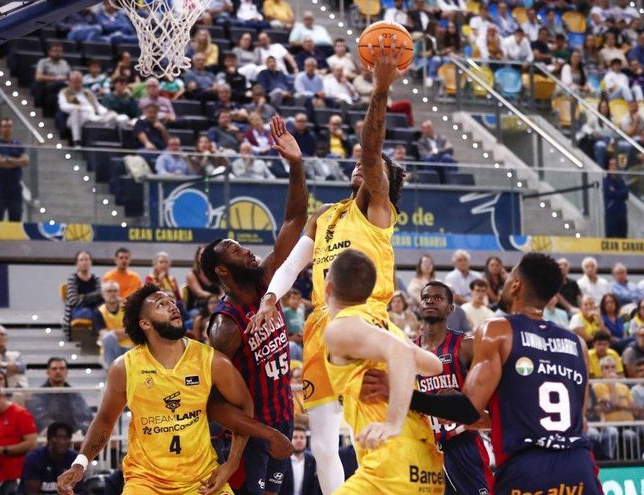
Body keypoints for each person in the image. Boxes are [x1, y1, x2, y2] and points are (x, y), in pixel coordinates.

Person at [247, 38, 408, 495]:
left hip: (364, 319)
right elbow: (294, 263)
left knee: (365, 430)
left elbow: (372, 152)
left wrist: (380, 91)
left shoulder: (378, 212)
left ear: (385, 185)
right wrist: (270, 300)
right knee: (321, 442)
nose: (362, 165)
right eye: (359, 165)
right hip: (320, 323)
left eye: (373, 168)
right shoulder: (326, 216)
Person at [55, 283, 292, 495]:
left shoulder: (212, 360)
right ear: (145, 323)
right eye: (161, 304)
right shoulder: (124, 368)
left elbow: (244, 406)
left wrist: (231, 464)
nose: (172, 306)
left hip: (201, 479)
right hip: (145, 481)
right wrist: (80, 464)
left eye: (171, 301)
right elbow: (105, 420)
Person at [402, 252, 601, 493]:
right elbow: (577, 419)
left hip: (528, 466)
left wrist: (407, 398)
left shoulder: (497, 330)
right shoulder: (577, 343)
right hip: (578, 466)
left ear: (516, 285)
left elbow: (466, 409)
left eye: (508, 278)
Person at [201, 115, 307, 495]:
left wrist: (295, 166)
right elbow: (214, 404)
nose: (245, 249)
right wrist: (265, 433)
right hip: (249, 438)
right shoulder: (225, 326)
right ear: (221, 271)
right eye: (233, 249)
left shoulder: (267, 282)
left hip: (282, 420)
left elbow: (295, 219)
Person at [322, 250, 445, 494]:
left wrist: (392, 423)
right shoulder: (384, 326)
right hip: (425, 464)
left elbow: (400, 351)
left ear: (328, 287)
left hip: (391, 459)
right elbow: (434, 365)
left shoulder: (340, 328)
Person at [369, 282, 492, 493]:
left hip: (462, 443)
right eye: (426, 298)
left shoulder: (466, 345)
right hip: (423, 447)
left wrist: (460, 400)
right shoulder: (407, 350)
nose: (430, 301)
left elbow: (489, 394)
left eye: (438, 298)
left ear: (450, 308)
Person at [0, 383, 39, 492]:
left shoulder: (21, 414)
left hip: (18, 477)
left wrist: (4, 450)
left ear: (2, 396)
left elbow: (32, 443)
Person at [26, 358, 93, 435]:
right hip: (50, 437)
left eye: (62, 368)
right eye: (54, 369)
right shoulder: (38, 395)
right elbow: (40, 420)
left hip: (75, 437)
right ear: (48, 372)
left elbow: (86, 416)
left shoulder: (75, 394)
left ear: (66, 372)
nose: (58, 371)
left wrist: (80, 431)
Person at [58, 71, 126, 147]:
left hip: (92, 117)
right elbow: (63, 106)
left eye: (79, 82)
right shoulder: (64, 92)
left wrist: (106, 112)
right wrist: (76, 107)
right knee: (75, 112)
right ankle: (77, 142)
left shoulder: (87, 92)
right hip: (76, 118)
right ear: (70, 82)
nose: (77, 85)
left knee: (114, 115)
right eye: (75, 82)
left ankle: (114, 141)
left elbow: (98, 106)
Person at [19, 421, 80, 495]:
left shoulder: (75, 459)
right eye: (58, 437)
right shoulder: (34, 458)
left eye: (65, 438)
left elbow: (80, 490)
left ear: (70, 441)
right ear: (49, 439)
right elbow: (32, 493)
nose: (62, 442)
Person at [0, 118, 29, 221]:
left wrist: (7, 159)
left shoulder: (18, 144)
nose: (7, 129)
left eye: (9, 126)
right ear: (0, 129)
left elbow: (25, 161)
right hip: (0, 186)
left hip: (15, 186)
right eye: (5, 127)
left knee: (16, 216)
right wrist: (17, 162)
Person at [63, 251, 102, 337]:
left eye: (87, 259)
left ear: (91, 262)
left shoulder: (96, 279)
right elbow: (74, 301)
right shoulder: (72, 278)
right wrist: (93, 298)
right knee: (95, 313)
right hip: (77, 310)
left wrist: (84, 297)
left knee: (102, 311)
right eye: (81, 260)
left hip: (94, 309)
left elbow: (101, 296)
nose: (84, 262)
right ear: (77, 263)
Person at [93, 281, 132, 367]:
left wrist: (114, 333)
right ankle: (114, 370)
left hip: (129, 348)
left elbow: (132, 332)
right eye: (109, 291)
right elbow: (104, 335)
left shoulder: (127, 308)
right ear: (103, 294)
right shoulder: (98, 312)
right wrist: (120, 333)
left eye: (115, 291)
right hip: (111, 350)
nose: (112, 294)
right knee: (108, 337)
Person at [280, 424, 319, 495]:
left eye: (302, 437)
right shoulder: (282, 459)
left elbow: (313, 487)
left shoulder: (311, 460)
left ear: (306, 440)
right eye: (295, 437)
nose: (299, 440)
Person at [603, 159, 629, 238]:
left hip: (622, 212)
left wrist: (615, 192)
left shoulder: (621, 181)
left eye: (615, 165)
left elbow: (626, 194)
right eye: (611, 165)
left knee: (622, 235)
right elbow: (609, 193)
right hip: (611, 212)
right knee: (611, 236)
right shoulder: (605, 181)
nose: (613, 167)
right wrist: (619, 193)